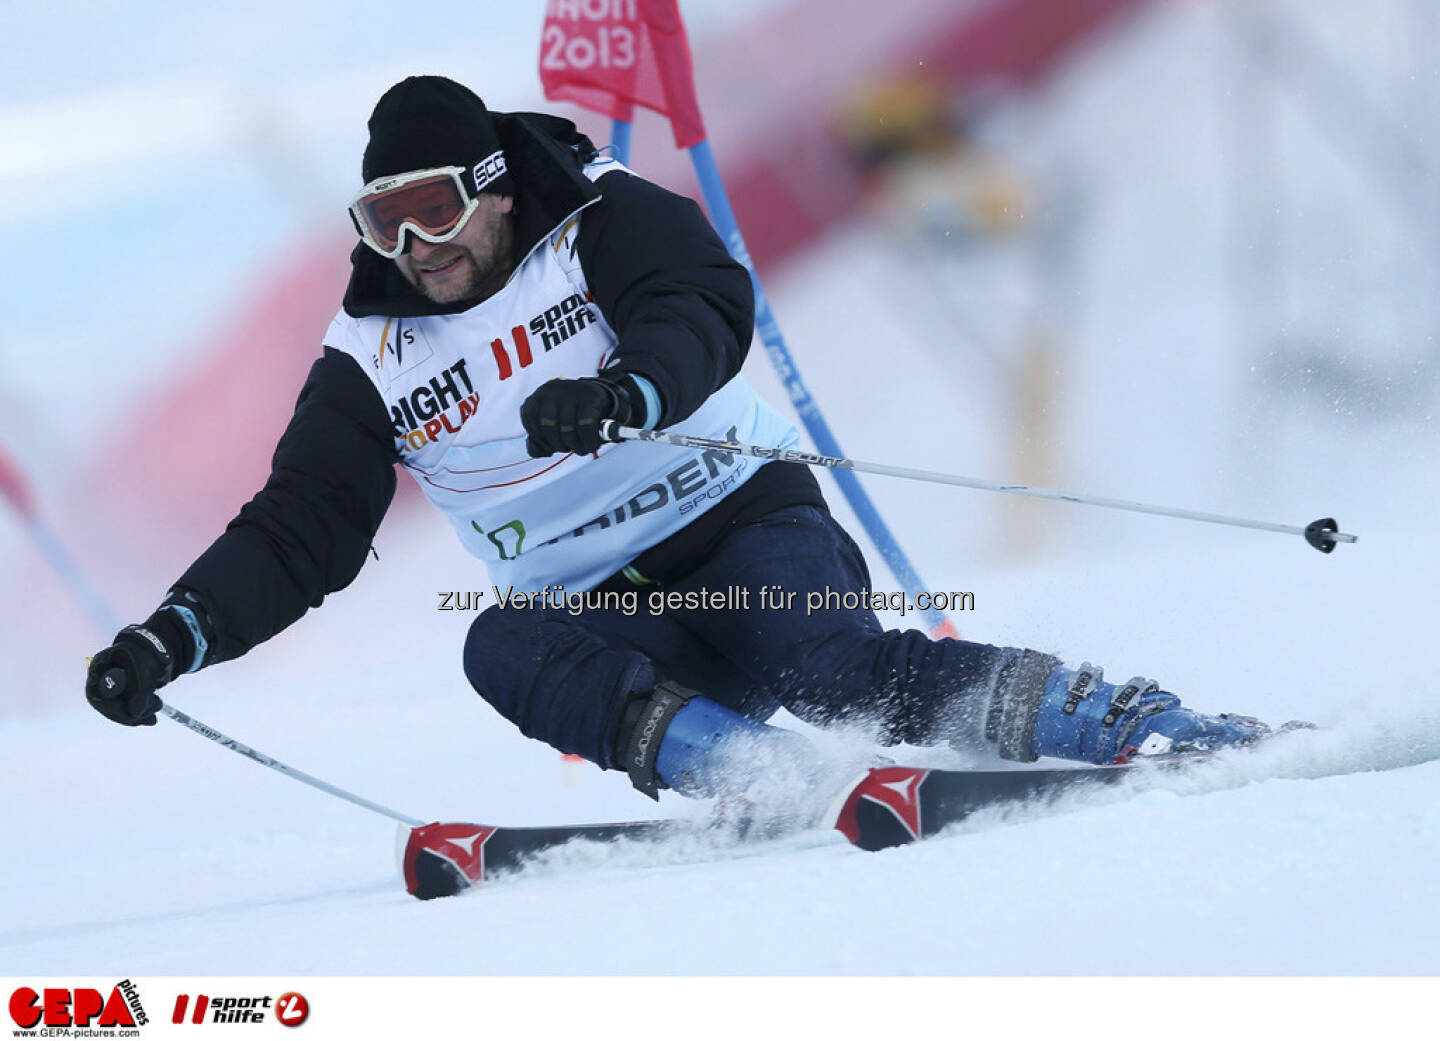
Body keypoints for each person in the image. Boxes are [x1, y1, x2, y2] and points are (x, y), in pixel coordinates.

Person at [84, 76, 1269, 807]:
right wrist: (170, 639)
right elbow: (300, 528)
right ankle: (753, 780)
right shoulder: (371, 352)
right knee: (496, 645)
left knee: (833, 671)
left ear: (495, 191)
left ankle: (1118, 719)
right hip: (608, 611)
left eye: (434, 209)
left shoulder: (592, 216)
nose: (414, 246)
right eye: (381, 220)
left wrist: (628, 396)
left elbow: (699, 300)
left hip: (742, 523)